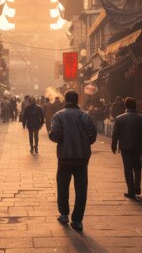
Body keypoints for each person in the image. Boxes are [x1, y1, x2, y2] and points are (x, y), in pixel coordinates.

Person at [49, 90, 97, 231]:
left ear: (66, 100)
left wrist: (59, 137)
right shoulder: (85, 116)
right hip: (82, 158)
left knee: (63, 186)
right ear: (77, 100)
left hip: (65, 157)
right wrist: (82, 142)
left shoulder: (58, 116)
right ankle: (77, 220)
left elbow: (56, 135)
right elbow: (92, 136)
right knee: (81, 189)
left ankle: (64, 214)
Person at [111, 97, 142, 200]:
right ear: (135, 106)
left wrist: (113, 145)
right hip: (138, 146)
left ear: (126, 106)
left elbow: (115, 134)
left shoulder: (119, 118)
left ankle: (131, 191)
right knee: (137, 167)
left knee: (128, 168)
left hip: (125, 147)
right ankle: (137, 186)